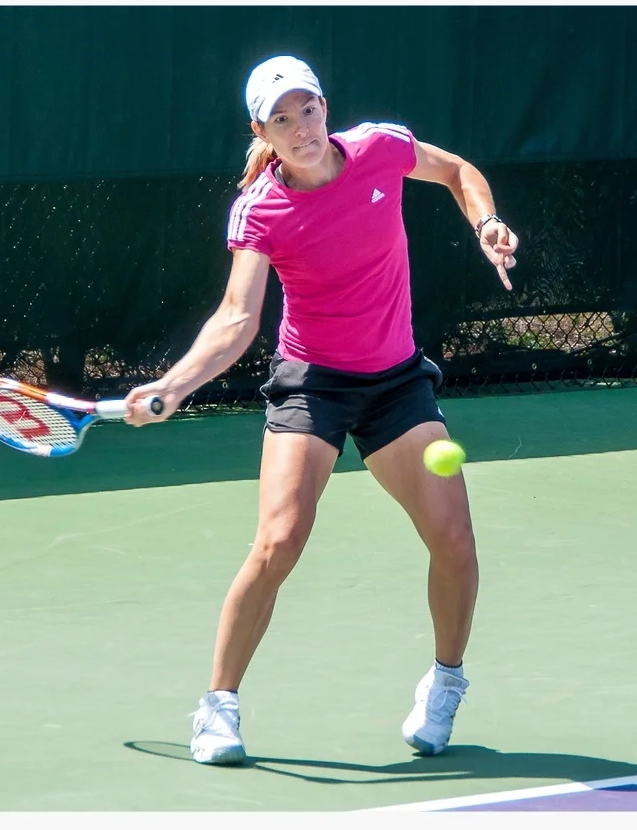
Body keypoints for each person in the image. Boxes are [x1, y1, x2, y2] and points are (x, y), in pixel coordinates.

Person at [123, 55, 519, 765]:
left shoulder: (381, 150)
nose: (301, 126)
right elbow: (237, 318)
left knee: (454, 538)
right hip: (313, 384)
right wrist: (175, 385)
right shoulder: (260, 209)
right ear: (262, 131)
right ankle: (217, 706)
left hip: (396, 380)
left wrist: (486, 221)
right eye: (283, 117)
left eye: (308, 109)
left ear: (325, 107)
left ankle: (446, 681)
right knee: (279, 541)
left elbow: (459, 172)